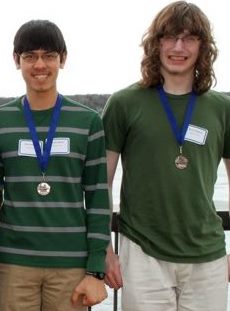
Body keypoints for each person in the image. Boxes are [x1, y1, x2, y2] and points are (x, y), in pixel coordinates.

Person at [102, 1, 230, 311]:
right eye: (169, 37)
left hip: (208, 258)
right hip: (142, 254)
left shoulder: (221, 108)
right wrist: (104, 249)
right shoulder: (123, 104)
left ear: (203, 47)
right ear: (155, 44)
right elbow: (99, 184)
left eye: (189, 38)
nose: (178, 46)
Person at [0, 20, 111, 311]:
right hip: (12, 264)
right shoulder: (2, 121)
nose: (40, 65)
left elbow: (98, 198)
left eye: (49, 55)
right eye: (29, 56)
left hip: (71, 266)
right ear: (16, 61)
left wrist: (95, 269)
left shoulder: (88, 122)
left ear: (62, 59)